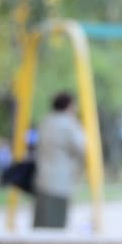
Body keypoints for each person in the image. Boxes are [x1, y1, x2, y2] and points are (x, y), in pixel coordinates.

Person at [34, 92, 85, 229]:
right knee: (56, 223)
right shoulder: (69, 123)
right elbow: (81, 146)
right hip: (61, 179)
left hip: (43, 177)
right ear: (69, 106)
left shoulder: (46, 121)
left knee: (42, 221)